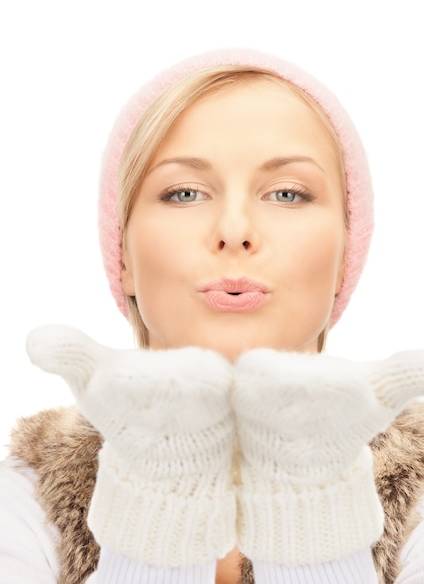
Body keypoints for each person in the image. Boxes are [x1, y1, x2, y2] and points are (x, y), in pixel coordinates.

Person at [2, 49, 424, 584]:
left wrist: (313, 502)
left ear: (347, 253)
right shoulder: (23, 499)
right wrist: (156, 501)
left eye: (288, 193)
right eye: (183, 193)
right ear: (122, 254)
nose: (234, 229)